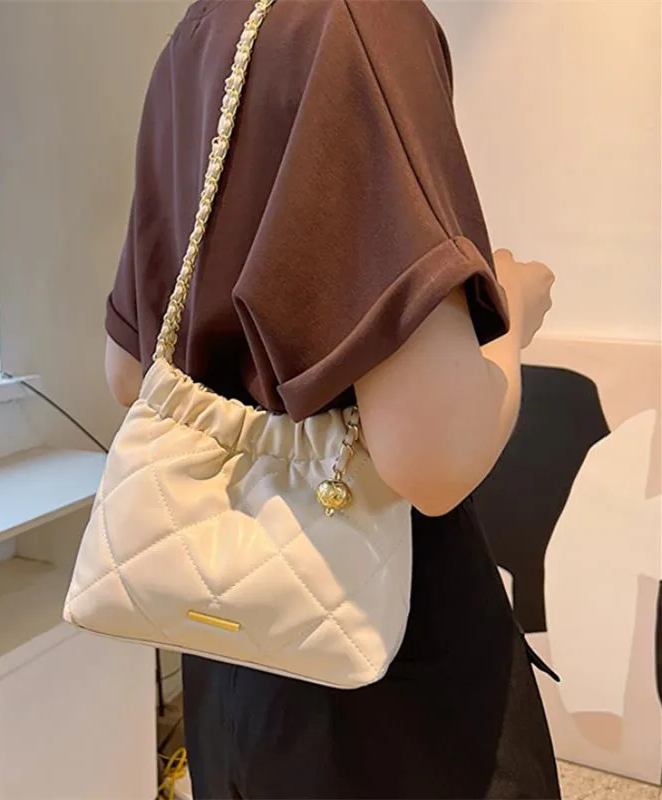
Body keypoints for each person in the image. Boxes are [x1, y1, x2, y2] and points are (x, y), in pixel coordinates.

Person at [103, 0, 560, 797]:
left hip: (232, 643)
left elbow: (126, 375)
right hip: (382, 676)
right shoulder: (360, 20)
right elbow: (432, 459)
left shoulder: (195, 37)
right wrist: (513, 311)